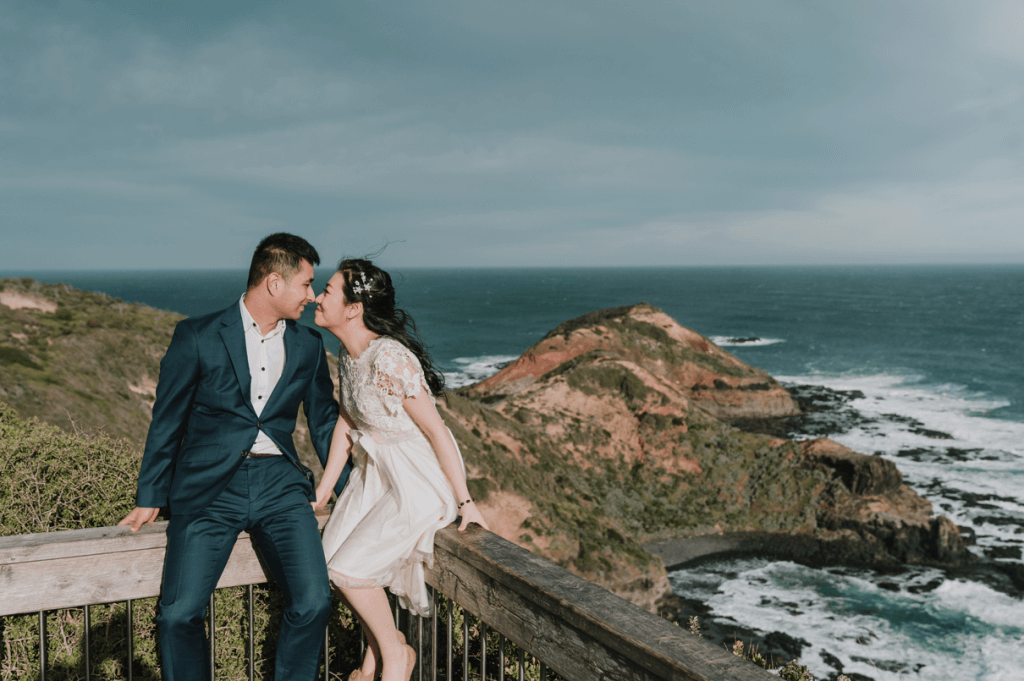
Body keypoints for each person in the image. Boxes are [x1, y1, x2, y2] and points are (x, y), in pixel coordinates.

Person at [117, 233, 348, 681]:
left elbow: (323, 423)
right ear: (274, 283)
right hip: (209, 490)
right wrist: (150, 494)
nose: (312, 295)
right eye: (305, 284)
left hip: (280, 486)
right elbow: (167, 420)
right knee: (178, 613)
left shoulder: (308, 345)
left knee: (315, 601)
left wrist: (350, 488)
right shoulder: (197, 335)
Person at [312, 258, 489, 681]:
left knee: (348, 571)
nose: (318, 298)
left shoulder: (389, 358)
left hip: (416, 482)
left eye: (328, 291)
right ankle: (379, 654)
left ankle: (394, 657)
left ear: (353, 308)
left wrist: (465, 500)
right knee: (328, 562)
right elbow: (348, 422)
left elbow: (437, 432)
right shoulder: (349, 354)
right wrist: (321, 492)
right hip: (376, 478)